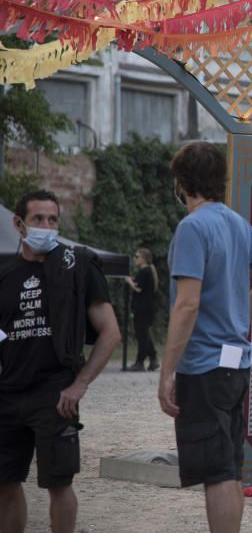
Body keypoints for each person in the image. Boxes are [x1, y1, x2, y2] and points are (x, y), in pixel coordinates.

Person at [159, 142, 252, 533]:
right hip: (235, 360)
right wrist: (236, 318)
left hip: (204, 363)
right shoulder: (235, 222)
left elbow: (187, 305)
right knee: (228, 467)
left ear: (180, 182)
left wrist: (167, 370)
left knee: (215, 472)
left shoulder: (191, 227)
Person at [0, 190, 121, 533]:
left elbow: (110, 333)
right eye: (38, 219)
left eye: (53, 220)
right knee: (6, 483)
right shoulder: (5, 276)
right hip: (8, 393)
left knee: (58, 484)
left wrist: (79, 384)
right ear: (19, 224)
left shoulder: (77, 267)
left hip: (55, 393)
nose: (47, 227)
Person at [126, 247, 159, 372]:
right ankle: (153, 359)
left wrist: (129, 281)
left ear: (144, 259)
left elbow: (138, 288)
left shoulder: (145, 271)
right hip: (147, 308)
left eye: (137, 256)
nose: (135, 259)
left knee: (141, 335)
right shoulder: (148, 271)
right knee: (144, 334)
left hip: (143, 308)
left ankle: (140, 362)